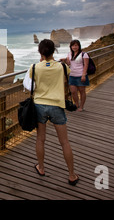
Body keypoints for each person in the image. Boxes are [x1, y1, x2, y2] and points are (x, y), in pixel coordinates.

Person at [28, 39, 79, 186]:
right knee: (64, 142)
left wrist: (41, 62)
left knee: (40, 139)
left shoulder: (34, 67)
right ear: (54, 51)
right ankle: (71, 175)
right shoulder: (62, 67)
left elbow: (33, 79)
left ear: (40, 52)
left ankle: (41, 168)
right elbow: (67, 71)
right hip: (57, 105)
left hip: (39, 105)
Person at [61, 40, 89, 112]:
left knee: (82, 91)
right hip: (72, 75)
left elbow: (86, 65)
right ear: (70, 47)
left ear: (79, 46)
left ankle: (81, 106)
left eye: (76, 45)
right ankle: (76, 105)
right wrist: (65, 60)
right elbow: (69, 63)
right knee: (73, 91)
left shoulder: (84, 54)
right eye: (73, 46)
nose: (74, 47)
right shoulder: (69, 54)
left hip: (80, 75)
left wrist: (83, 75)